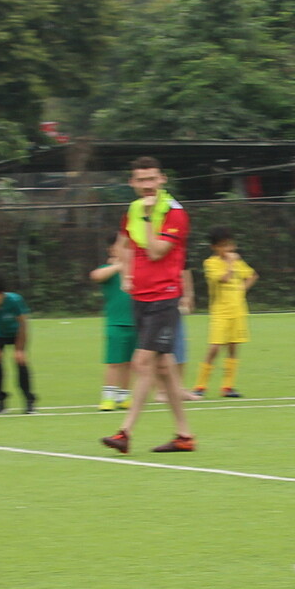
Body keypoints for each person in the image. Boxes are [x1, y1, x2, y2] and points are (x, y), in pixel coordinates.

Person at [103, 157, 193, 455]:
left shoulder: (174, 213)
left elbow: (156, 252)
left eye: (151, 179)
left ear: (162, 179)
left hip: (164, 296)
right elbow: (125, 245)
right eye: (141, 180)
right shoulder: (133, 209)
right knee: (164, 367)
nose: (147, 186)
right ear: (132, 183)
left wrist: (147, 217)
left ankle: (125, 432)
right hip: (141, 296)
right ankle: (184, 435)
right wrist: (127, 274)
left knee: (142, 363)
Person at [194, 231, 254, 398]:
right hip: (220, 311)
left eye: (230, 245)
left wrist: (242, 290)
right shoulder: (211, 263)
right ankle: (200, 385)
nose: (228, 249)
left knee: (233, 347)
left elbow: (251, 276)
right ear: (214, 247)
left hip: (238, 310)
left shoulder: (237, 262)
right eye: (223, 246)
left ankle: (228, 386)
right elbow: (224, 279)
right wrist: (230, 264)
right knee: (214, 348)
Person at [92, 237, 135, 412]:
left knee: (128, 363)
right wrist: (118, 266)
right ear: (112, 250)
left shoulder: (135, 271)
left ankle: (124, 396)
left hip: (134, 323)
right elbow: (95, 275)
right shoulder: (108, 270)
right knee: (113, 362)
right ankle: (108, 397)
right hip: (115, 324)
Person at [0, 276, 35, 414]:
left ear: (1, 295)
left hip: (17, 334)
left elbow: (23, 324)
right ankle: (0, 401)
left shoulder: (14, 301)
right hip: (0, 334)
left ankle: (29, 401)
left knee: (21, 362)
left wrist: (20, 350)